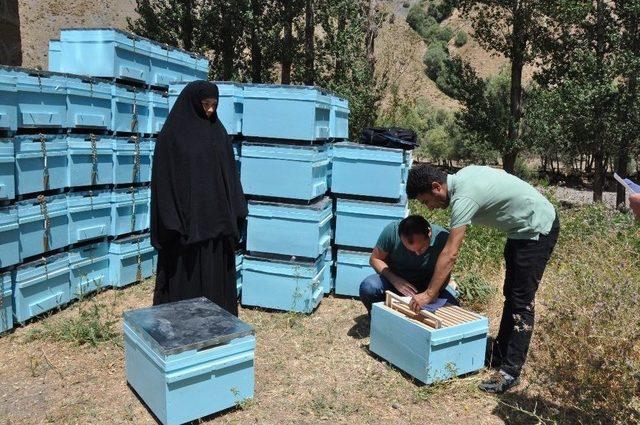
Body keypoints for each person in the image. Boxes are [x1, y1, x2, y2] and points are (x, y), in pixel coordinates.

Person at [405, 164, 560, 394]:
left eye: (428, 201)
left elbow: (451, 252)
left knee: (522, 301)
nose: (432, 208)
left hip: (537, 228)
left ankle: (510, 371)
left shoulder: (464, 196)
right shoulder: (463, 178)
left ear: (437, 187)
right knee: (511, 295)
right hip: (519, 231)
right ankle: (499, 352)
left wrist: (429, 294)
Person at [150, 81, 247, 316]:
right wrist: (173, 223)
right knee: (185, 292)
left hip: (217, 229)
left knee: (216, 291)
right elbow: (164, 180)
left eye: (214, 105)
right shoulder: (172, 136)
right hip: (186, 232)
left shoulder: (219, 133)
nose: (211, 110)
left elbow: (230, 177)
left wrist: (237, 211)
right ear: (193, 102)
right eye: (206, 104)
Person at [359, 215, 458, 314]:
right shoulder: (391, 232)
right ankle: (380, 319)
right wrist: (394, 280)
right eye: (410, 249)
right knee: (369, 287)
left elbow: (446, 270)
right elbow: (375, 259)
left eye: (421, 248)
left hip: (428, 287)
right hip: (394, 284)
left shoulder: (443, 238)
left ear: (429, 232)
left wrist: (435, 292)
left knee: (455, 309)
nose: (417, 254)